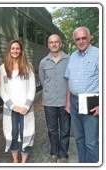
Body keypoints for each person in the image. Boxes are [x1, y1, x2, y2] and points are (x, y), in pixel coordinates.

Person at [65, 27, 99, 163]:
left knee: (91, 142)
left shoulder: (99, 54)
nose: (81, 41)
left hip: (92, 102)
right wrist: (68, 101)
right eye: (78, 39)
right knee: (79, 139)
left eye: (84, 38)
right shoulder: (72, 56)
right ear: (74, 40)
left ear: (89, 38)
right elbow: (69, 80)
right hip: (74, 103)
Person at [0, 39, 36, 163]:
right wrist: (13, 106)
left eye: (17, 48)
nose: (15, 51)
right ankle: (15, 160)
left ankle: (23, 161)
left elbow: (32, 88)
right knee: (12, 134)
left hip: (26, 108)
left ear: (21, 51)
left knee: (27, 133)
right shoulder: (3, 68)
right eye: (13, 48)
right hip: (11, 108)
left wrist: (26, 106)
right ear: (9, 50)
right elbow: (2, 91)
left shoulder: (28, 67)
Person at [38, 34, 71, 163]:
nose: (54, 44)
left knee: (65, 129)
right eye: (51, 42)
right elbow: (43, 80)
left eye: (56, 42)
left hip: (65, 101)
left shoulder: (69, 60)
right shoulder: (43, 62)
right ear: (48, 44)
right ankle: (54, 153)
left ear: (60, 43)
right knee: (52, 129)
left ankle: (63, 155)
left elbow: (71, 80)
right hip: (49, 101)